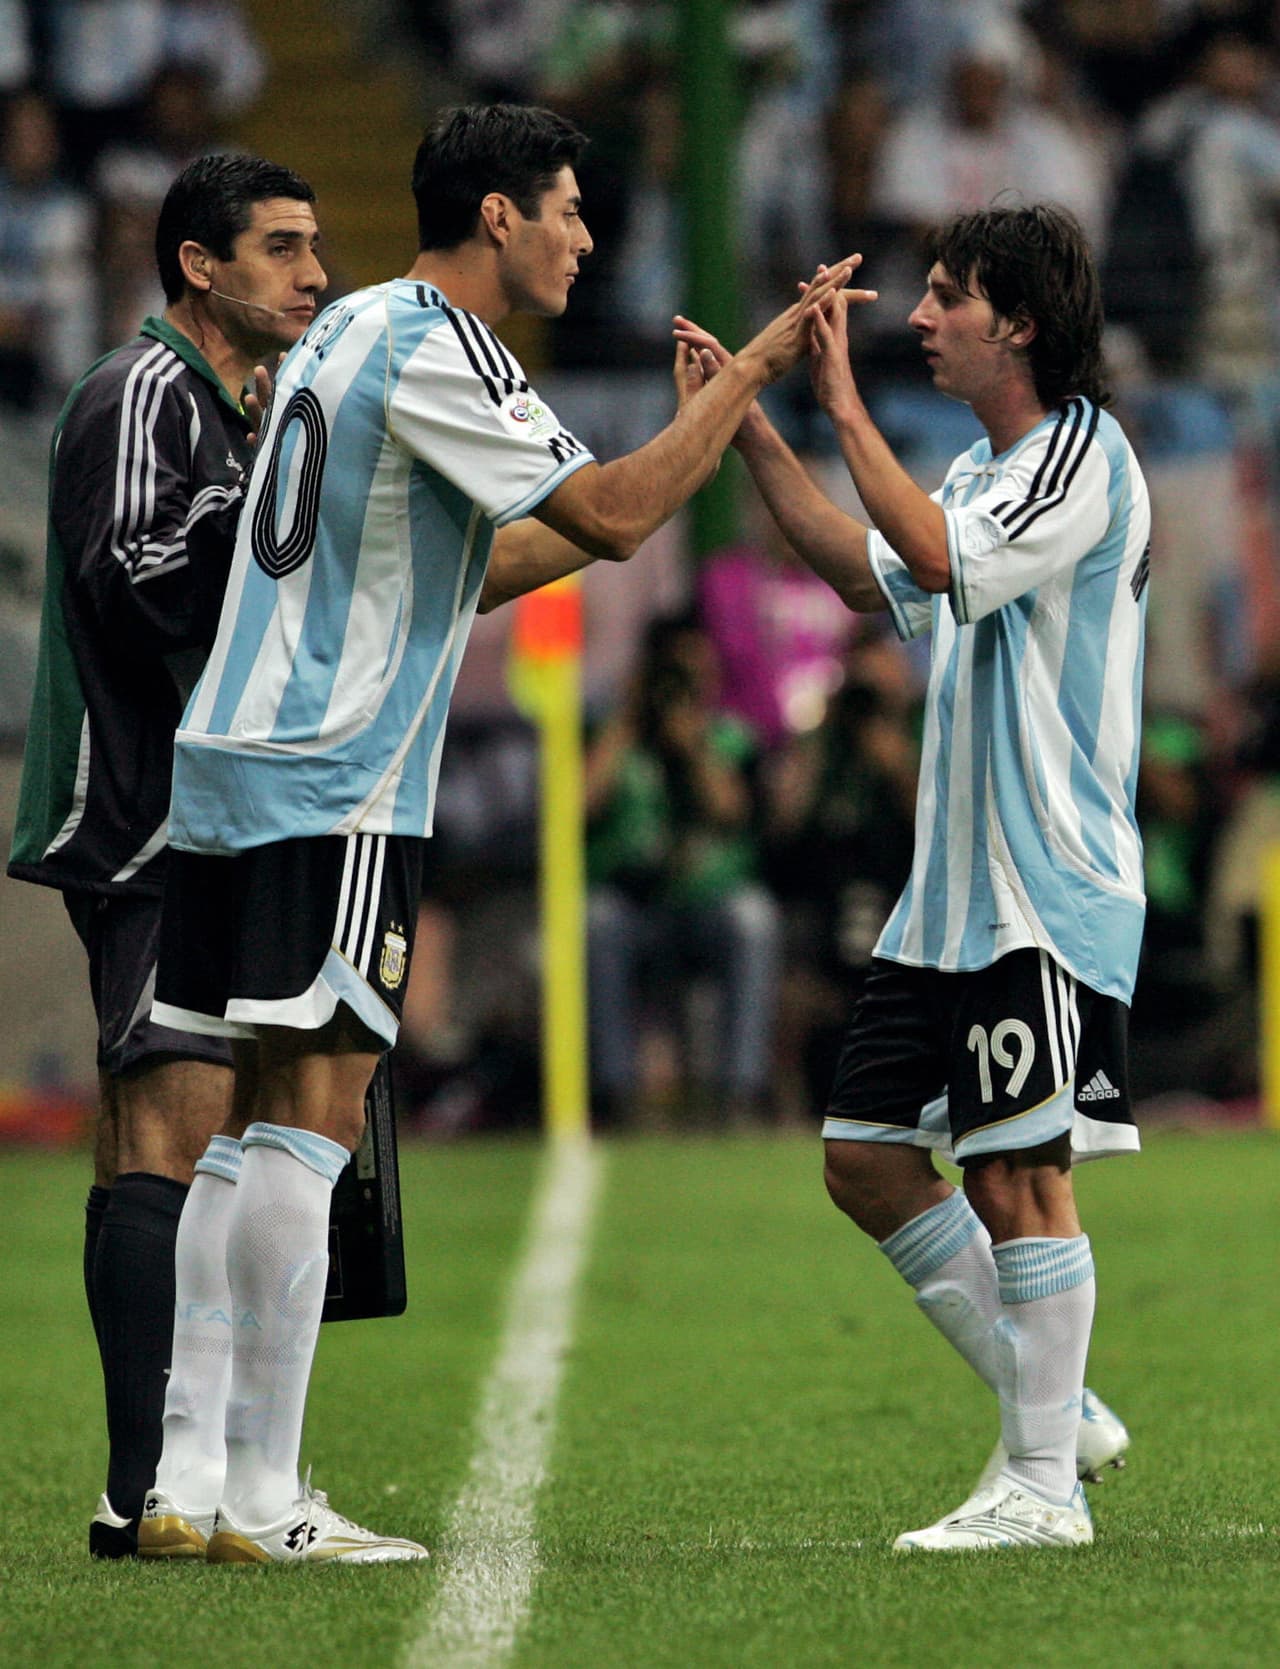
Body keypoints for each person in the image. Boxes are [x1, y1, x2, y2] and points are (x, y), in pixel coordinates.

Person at [137, 101, 859, 1565]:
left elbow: (480, 560)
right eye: (570, 209)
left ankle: (184, 1477)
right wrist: (749, 381)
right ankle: (266, 1501)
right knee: (313, 1122)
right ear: (497, 219)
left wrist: (685, 452)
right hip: (333, 776)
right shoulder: (442, 345)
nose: (588, 236)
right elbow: (610, 515)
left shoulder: (343, 333)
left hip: (233, 759)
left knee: (246, 1125)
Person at [675, 201, 1145, 1550]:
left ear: (1023, 326)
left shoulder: (1083, 457)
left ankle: (1042, 1486)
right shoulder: (984, 472)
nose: (922, 318)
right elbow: (865, 572)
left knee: (1017, 1177)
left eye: (948, 296)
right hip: (954, 895)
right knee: (867, 1158)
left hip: (1043, 882)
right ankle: (1059, 1416)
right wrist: (750, 423)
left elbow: (938, 562)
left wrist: (832, 393)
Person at [6, 151, 325, 1558]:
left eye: (315, 246)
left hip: (205, 810)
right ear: (200, 266)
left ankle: (148, 1479)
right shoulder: (146, 393)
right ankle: (148, 1486)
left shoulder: (238, 411)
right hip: (146, 808)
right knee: (172, 1122)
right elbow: (127, 575)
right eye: (280, 247)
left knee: (177, 1129)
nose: (313, 272)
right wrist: (267, 514)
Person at [585, 612, 781, 1128]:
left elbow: (732, 812)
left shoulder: (730, 737)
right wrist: (629, 719)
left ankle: (740, 1094)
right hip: (634, 904)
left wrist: (692, 744)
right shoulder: (616, 734)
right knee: (597, 921)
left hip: (708, 903)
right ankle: (615, 1094)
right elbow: (576, 809)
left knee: (753, 918)